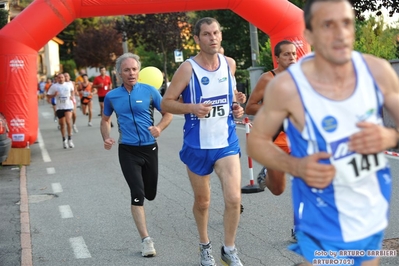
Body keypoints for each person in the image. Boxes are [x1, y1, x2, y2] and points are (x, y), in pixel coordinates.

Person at [247, 0, 399, 265]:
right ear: (309, 35)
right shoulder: (287, 87)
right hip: (321, 209)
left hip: (367, 205)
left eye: (346, 23)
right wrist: (294, 164)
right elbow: (257, 142)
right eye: (328, 25)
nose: (340, 33)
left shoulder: (378, 71)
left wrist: (390, 137)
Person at [161, 17, 245, 266]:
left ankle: (228, 249)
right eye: (207, 34)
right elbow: (166, 102)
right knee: (203, 201)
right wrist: (191, 107)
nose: (213, 38)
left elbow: (231, 103)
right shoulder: (188, 68)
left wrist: (237, 108)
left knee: (234, 199)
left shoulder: (229, 64)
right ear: (197, 39)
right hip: (197, 145)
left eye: (216, 32)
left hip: (226, 143)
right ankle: (204, 245)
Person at [100, 53, 173, 257]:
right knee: (137, 193)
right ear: (119, 73)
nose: (131, 73)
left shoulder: (150, 92)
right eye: (126, 70)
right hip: (127, 150)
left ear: (138, 71)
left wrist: (159, 128)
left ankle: (145, 231)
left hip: (149, 149)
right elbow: (105, 120)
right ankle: (146, 240)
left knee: (150, 193)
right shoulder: (112, 96)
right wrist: (106, 137)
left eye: (134, 69)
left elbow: (168, 113)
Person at [245, 40, 296, 194]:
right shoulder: (268, 78)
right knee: (278, 189)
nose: (291, 57)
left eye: (293, 54)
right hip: (276, 136)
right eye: (286, 54)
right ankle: (266, 174)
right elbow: (250, 107)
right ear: (278, 58)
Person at [47, 73, 76, 149]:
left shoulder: (69, 84)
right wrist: (54, 95)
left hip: (68, 106)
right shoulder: (54, 86)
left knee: (68, 121)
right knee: (62, 124)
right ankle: (64, 140)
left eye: (62, 77)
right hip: (59, 107)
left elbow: (72, 91)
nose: (61, 79)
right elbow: (48, 95)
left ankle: (70, 139)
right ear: (57, 79)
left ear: (64, 78)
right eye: (59, 78)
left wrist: (72, 96)